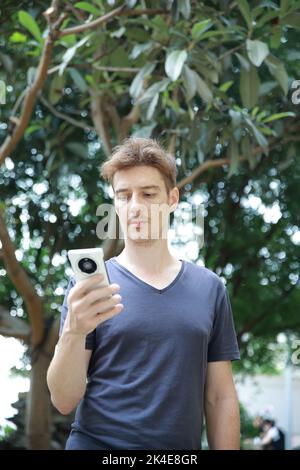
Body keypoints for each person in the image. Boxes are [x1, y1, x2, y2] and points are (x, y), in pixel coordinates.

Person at [47, 137, 241, 450]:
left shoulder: (210, 288)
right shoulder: (90, 287)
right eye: (124, 196)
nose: (135, 207)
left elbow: (220, 396)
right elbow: (63, 400)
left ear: (172, 198)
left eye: (148, 194)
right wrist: (73, 332)